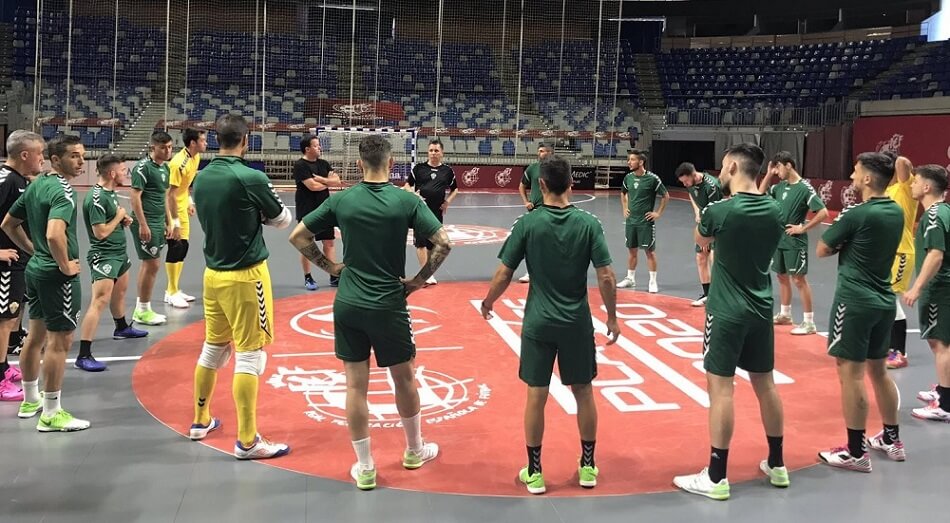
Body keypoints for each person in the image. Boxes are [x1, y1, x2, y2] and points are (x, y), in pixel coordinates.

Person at [290, 134, 450, 491]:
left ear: (359, 164)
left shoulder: (342, 200)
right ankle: (414, 450)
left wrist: (331, 268)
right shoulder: (405, 201)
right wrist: (418, 281)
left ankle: (365, 467)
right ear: (391, 164)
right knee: (404, 378)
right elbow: (444, 242)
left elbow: (298, 236)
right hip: (389, 304)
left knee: (355, 386)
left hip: (348, 303)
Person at [480, 155, 621, 495]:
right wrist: (613, 317)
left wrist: (488, 302)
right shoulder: (589, 224)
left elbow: (504, 272)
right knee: (584, 391)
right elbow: (606, 276)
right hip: (576, 322)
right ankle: (587, 466)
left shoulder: (527, 224)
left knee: (536, 394)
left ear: (541, 185)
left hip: (538, 322)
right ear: (572, 184)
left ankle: (535, 471)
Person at [673, 144, 787, 500]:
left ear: (735, 166)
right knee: (765, 384)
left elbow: (701, 239)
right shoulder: (775, 208)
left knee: (721, 389)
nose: (719, 171)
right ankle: (778, 464)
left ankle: (717, 475)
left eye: (724, 166)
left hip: (725, 310)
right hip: (760, 308)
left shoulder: (720, 209)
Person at [188, 114, 291, 460]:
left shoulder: (201, 178)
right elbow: (282, 220)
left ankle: (200, 419)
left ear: (218, 139)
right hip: (246, 277)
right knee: (250, 356)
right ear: (246, 140)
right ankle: (247, 441)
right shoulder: (251, 177)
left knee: (213, 348)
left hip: (213, 274)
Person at [816, 152, 905, 472]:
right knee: (878, 372)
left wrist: (846, 241)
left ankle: (855, 451)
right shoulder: (895, 211)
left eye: (855, 171)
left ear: (868, 178)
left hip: (854, 302)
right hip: (883, 301)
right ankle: (892, 439)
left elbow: (823, 248)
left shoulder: (856, 214)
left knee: (850, 374)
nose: (852, 175)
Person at [1, 134, 88, 431]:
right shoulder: (62, 191)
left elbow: (8, 224)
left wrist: (32, 251)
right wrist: (64, 265)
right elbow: (54, 234)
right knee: (59, 341)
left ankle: (30, 400)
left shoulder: (36, 185)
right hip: (55, 276)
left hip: (36, 269)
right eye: (74, 156)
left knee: (35, 336)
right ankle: (52, 413)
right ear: (55, 159)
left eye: (82, 155)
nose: (81, 161)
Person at [76, 154, 148, 372]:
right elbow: (100, 233)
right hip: (104, 256)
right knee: (99, 301)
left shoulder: (110, 193)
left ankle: (121, 327)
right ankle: (84, 354)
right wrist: (119, 216)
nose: (127, 173)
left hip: (119, 253)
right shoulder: (96, 197)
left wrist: (122, 220)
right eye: (124, 170)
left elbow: (112, 219)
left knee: (121, 292)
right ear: (112, 173)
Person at [758, 152, 828, 335]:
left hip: (795, 242)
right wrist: (768, 174)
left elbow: (823, 212)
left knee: (798, 279)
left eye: (778, 167)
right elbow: (759, 193)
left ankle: (809, 322)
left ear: (788, 165)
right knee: (781, 276)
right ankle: (785, 314)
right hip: (778, 240)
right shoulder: (779, 187)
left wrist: (802, 228)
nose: (777, 171)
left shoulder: (805, 188)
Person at [902, 164, 950, 422]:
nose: (911, 184)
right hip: (943, 287)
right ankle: (944, 389)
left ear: (927, 187)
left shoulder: (933, 216)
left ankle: (946, 404)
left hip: (939, 288)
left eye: (916, 181)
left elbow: (936, 255)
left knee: (941, 343)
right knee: (940, 342)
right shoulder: (945, 211)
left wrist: (917, 287)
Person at [0, 130, 45, 400]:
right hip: (6, 264)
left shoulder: (20, 180)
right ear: (24, 155)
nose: (42, 159)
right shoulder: (6, 181)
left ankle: (4, 368)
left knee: (12, 317)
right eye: (39, 153)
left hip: (18, 262)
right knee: (4, 320)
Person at [129, 131, 174, 325]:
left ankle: (143, 308)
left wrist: (169, 221)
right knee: (151, 264)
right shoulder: (142, 168)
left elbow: (164, 196)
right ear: (152, 148)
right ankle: (142, 310)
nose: (167, 151)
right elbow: (135, 197)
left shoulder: (165, 168)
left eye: (170, 147)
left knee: (151, 264)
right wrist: (143, 224)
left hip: (158, 222)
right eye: (163, 147)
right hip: (146, 222)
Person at [405, 138, 458, 286]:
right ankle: (425, 274)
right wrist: (414, 194)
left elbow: (455, 189)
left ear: (442, 153)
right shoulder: (419, 169)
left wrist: (448, 201)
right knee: (420, 243)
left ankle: (428, 273)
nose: (433, 153)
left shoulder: (447, 171)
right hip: (420, 211)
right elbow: (407, 185)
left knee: (433, 244)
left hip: (436, 212)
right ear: (427, 152)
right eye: (431, 150)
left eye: (436, 151)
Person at [164, 128, 207, 308]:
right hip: (172, 208)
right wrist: (173, 222)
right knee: (175, 245)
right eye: (203, 140)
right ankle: (171, 292)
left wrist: (189, 200)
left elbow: (185, 185)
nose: (206, 143)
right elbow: (169, 195)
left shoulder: (195, 157)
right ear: (192, 143)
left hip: (182, 205)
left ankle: (173, 289)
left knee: (184, 246)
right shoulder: (178, 163)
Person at [294, 134, 341, 291]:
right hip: (307, 210)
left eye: (319, 145)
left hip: (325, 210)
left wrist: (322, 180)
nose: (319, 147)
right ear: (307, 149)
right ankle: (308, 277)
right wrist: (327, 182)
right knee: (307, 244)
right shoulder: (300, 165)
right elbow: (312, 187)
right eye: (316, 145)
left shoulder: (324, 164)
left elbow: (337, 181)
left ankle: (334, 275)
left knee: (329, 242)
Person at [617, 150, 668, 293]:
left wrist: (658, 213)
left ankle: (652, 281)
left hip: (645, 222)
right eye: (629, 159)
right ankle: (630, 278)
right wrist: (625, 207)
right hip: (631, 221)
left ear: (641, 162)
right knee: (632, 251)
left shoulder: (653, 179)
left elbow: (665, 195)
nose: (629, 162)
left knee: (649, 252)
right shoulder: (628, 178)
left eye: (632, 160)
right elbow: (623, 193)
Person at [883, 155, 917, 369]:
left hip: (901, 253)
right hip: (887, 253)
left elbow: (902, 162)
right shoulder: (886, 192)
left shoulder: (906, 189)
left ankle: (900, 353)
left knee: (890, 299)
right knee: (884, 299)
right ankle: (888, 346)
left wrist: (892, 161)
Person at [676, 162, 723, 306]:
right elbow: (692, 196)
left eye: (685, 181)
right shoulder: (691, 184)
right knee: (700, 257)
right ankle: (707, 294)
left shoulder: (711, 186)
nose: (685, 185)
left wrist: (707, 238)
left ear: (694, 175)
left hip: (717, 226)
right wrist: (697, 212)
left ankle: (718, 295)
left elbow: (715, 212)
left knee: (715, 259)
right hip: (704, 223)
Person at [516, 143, 554, 283]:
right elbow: (521, 186)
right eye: (539, 151)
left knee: (550, 242)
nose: (540, 153)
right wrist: (526, 201)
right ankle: (530, 272)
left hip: (552, 210)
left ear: (550, 152)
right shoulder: (532, 168)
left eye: (543, 151)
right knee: (532, 242)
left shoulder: (557, 169)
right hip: (535, 210)